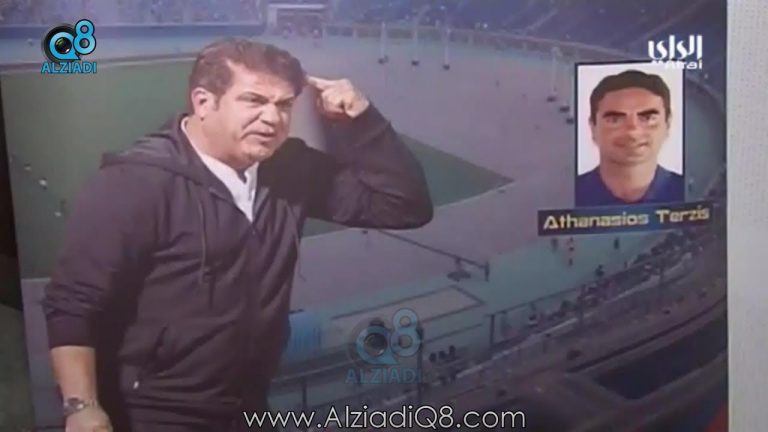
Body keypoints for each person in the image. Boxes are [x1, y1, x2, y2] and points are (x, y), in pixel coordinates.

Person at [42, 38, 433, 432]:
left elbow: (404, 207)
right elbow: (72, 304)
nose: (272, 118)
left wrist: (361, 121)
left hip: (248, 406)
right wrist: (81, 406)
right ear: (203, 102)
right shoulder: (133, 183)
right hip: (152, 413)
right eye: (254, 101)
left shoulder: (290, 169)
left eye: (284, 105)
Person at [575, 69, 684, 207]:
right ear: (593, 128)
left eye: (647, 118)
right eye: (615, 120)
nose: (632, 132)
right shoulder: (566, 194)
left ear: (667, 125)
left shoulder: (692, 193)